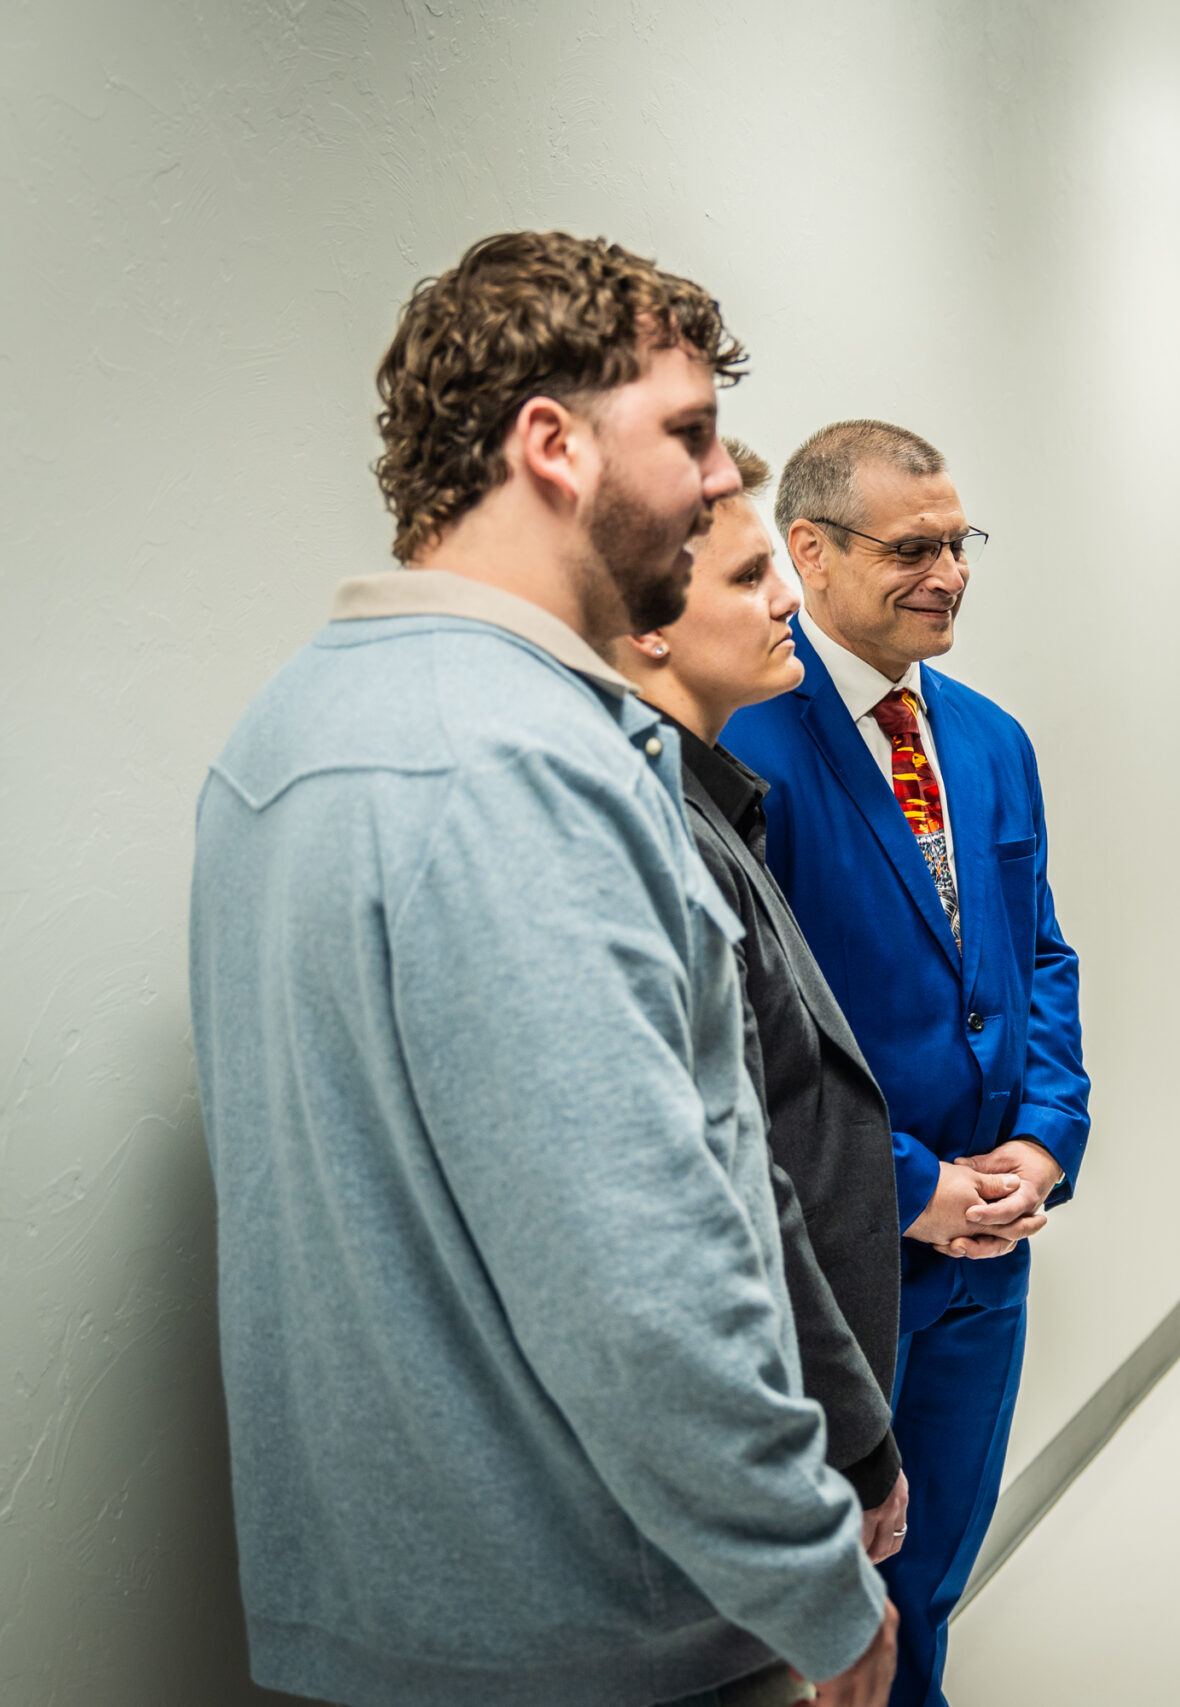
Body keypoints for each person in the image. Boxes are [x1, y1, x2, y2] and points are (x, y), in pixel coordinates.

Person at [189, 232, 897, 1707]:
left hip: (392, 1616)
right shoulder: (518, 767)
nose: (721, 481)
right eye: (691, 436)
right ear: (552, 445)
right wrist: (816, 1580)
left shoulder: (287, 729)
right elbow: (647, 1279)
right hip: (601, 1630)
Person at [724, 419, 1091, 1707]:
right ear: (808, 553)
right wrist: (913, 1186)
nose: (948, 572)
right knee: (827, 1617)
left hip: (991, 1257)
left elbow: (1040, 956)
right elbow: (743, 1046)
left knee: (928, 1577)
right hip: (841, 1270)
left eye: (959, 543)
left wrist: (1043, 1142)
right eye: (913, 547)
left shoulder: (989, 741)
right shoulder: (741, 749)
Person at [609, 437, 913, 1573]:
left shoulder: (707, 802)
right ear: (644, 619)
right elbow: (732, 1183)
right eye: (747, 577)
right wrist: (855, 1442)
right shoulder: (653, 837)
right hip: (769, 1434)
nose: (790, 595)